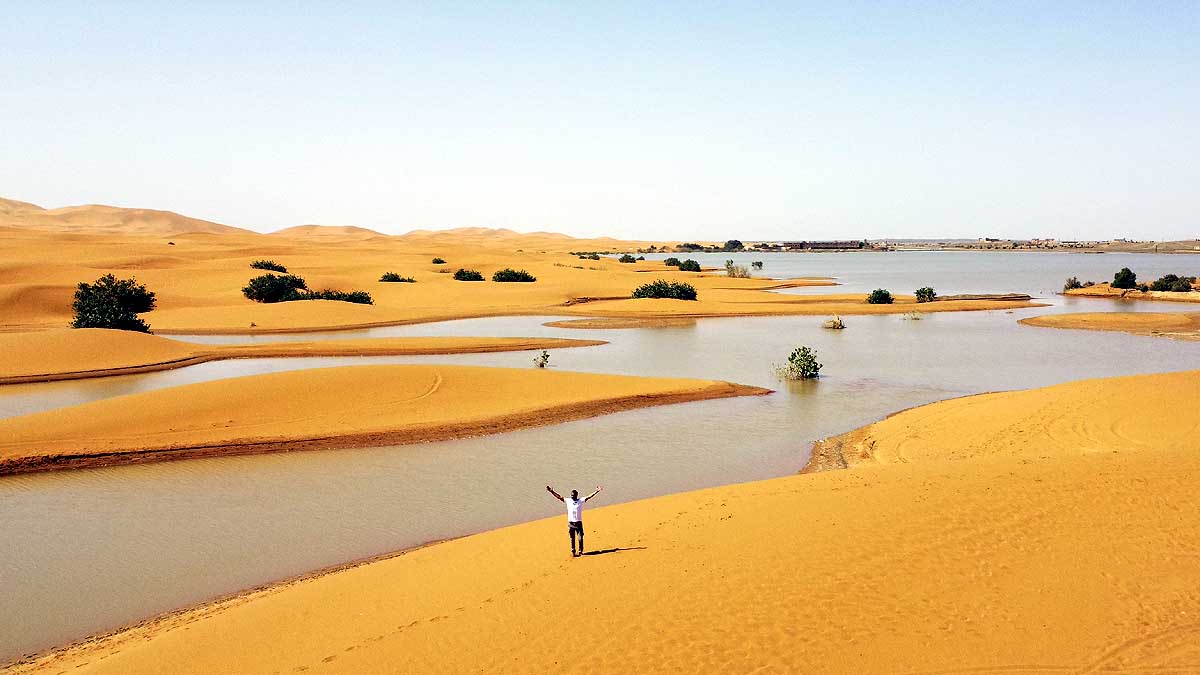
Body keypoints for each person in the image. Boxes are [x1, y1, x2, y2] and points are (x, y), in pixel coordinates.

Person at [546, 485, 602, 557]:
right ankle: (573, 551)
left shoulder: (580, 501)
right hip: (571, 523)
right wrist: (552, 491)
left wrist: (596, 491)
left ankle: (580, 550)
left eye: (573, 496)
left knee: (580, 538)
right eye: (571, 495)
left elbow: (589, 496)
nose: (572, 497)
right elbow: (559, 497)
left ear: (576, 495)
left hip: (578, 523)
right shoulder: (568, 500)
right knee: (572, 538)